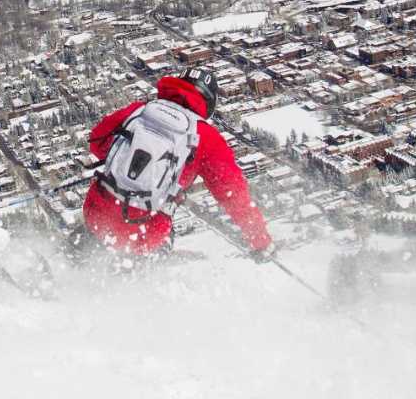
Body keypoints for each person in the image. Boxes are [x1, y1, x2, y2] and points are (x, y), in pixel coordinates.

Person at [81, 67, 273, 257]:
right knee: (148, 263)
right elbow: (234, 195)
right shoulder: (206, 137)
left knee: (82, 254)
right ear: (209, 103)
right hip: (143, 233)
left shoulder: (139, 111)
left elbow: (97, 141)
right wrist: (260, 240)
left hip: (96, 212)